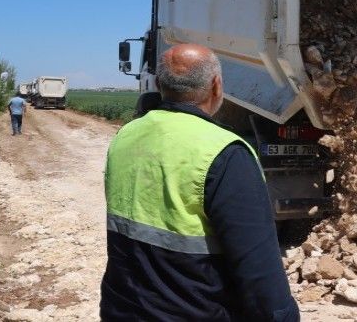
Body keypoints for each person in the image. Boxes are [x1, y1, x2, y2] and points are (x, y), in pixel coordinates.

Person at [101, 44, 298, 322]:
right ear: (217, 86)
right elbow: (257, 265)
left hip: (122, 309)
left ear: (158, 84)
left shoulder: (126, 135)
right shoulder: (225, 153)